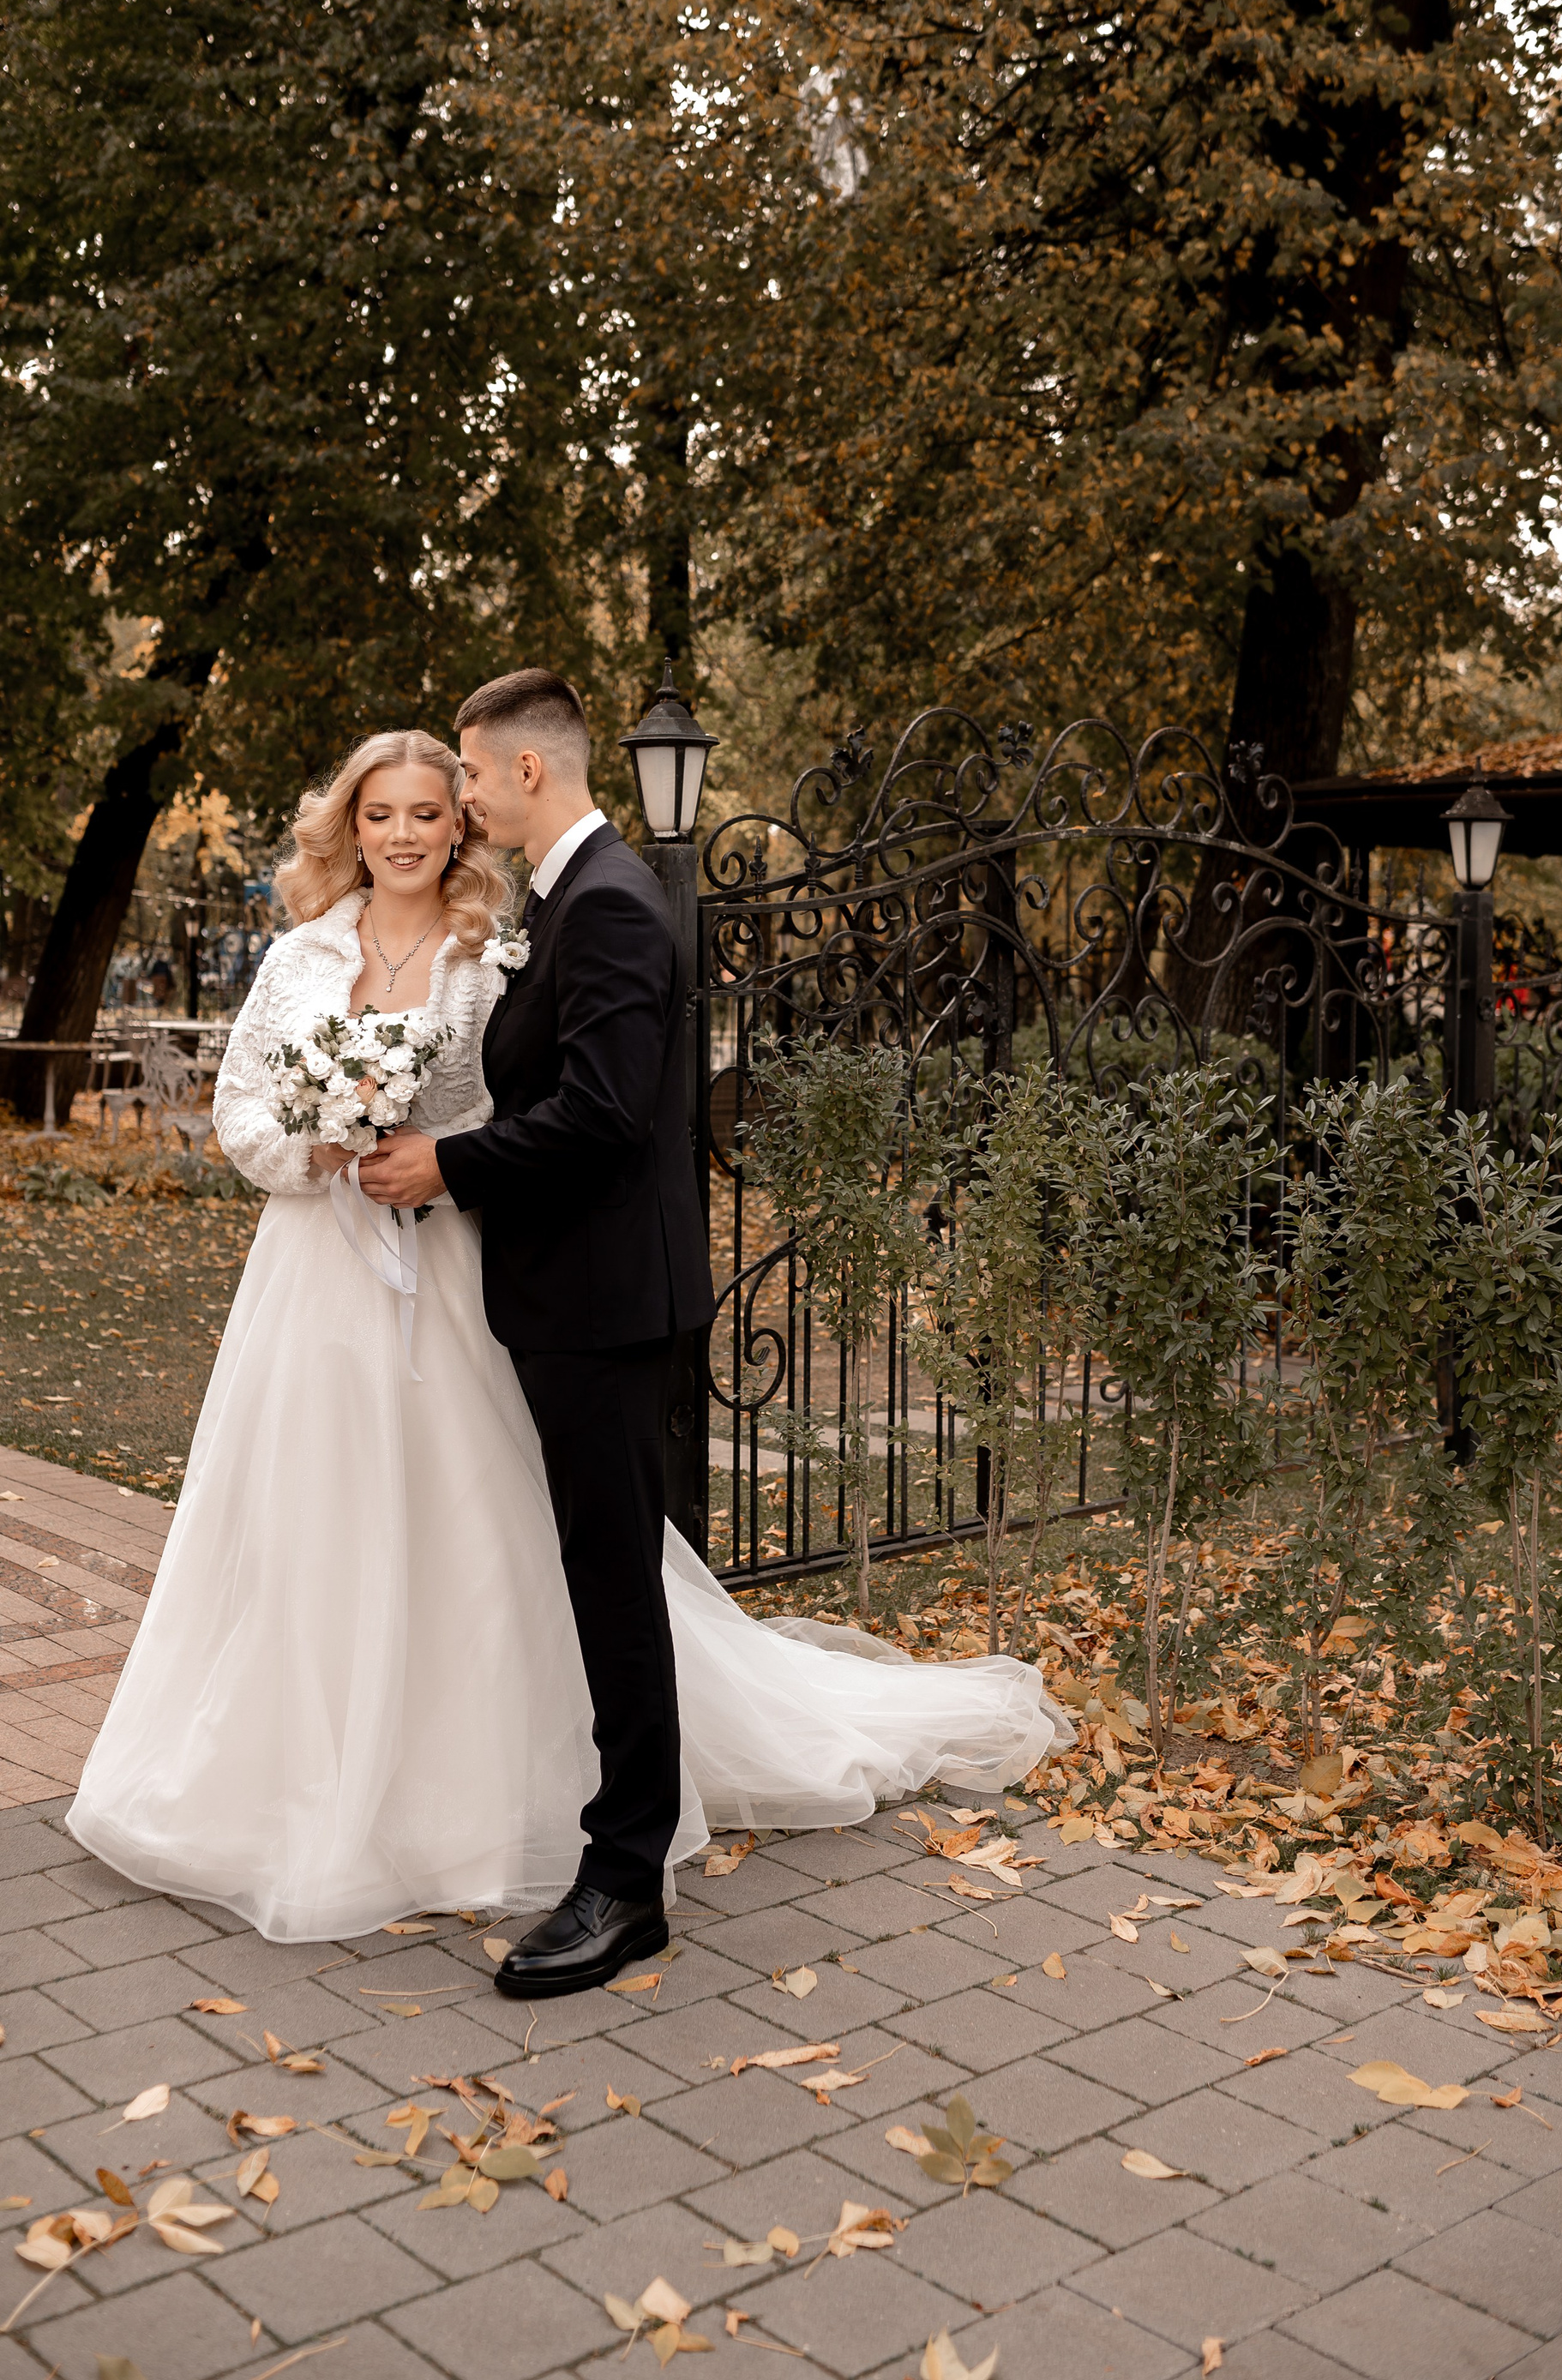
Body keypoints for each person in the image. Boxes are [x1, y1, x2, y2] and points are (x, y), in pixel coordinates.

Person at [67, 703, 1065, 1962]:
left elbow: (547, 1107)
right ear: (350, 827)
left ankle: (533, 1819)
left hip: (462, 1265)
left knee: (501, 1533)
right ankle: (305, 1778)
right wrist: (316, 1146)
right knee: (314, 1518)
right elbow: (242, 1107)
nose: (416, 829)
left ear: (477, 806)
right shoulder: (308, 954)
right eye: (384, 813)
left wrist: (433, 1160)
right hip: (317, 1276)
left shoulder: (498, 948)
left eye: (440, 804)